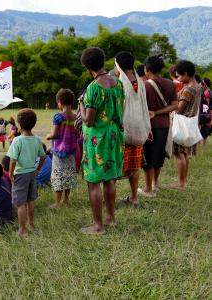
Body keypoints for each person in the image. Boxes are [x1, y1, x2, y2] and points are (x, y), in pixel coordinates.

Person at [78, 47, 124, 235]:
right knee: (109, 177)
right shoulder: (118, 83)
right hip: (114, 135)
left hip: (98, 138)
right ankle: (111, 218)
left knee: (93, 181)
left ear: (87, 66)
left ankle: (98, 226)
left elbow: (88, 119)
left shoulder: (94, 87)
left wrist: (81, 103)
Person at [114, 51, 151, 207]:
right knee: (135, 165)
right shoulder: (140, 81)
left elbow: (117, 110)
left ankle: (109, 199)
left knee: (115, 166)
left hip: (124, 131)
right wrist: (147, 127)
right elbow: (144, 106)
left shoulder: (119, 83)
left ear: (119, 66)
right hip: (138, 130)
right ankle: (134, 197)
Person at [140, 55, 178, 197]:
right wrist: (158, 112)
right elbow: (175, 106)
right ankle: (155, 184)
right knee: (158, 156)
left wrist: (153, 112)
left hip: (148, 127)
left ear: (147, 69)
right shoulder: (170, 84)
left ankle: (148, 188)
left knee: (148, 158)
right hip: (164, 125)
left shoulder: (144, 85)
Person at [7, 108, 46, 238]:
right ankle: (31, 224)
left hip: (20, 175)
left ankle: (22, 230)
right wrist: (38, 169)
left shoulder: (17, 140)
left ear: (19, 124)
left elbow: (12, 160)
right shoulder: (37, 140)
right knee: (30, 200)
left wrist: (11, 173)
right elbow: (43, 156)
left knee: (20, 203)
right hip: (32, 173)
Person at [171, 60, 202, 191]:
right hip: (190, 123)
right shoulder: (197, 86)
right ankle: (182, 181)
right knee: (184, 153)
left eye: (179, 76)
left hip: (182, 123)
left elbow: (179, 109)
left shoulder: (188, 89)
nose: (178, 78)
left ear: (186, 74)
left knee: (179, 154)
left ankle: (180, 183)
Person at [45, 88, 78, 208]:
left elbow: (54, 134)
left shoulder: (58, 117)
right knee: (68, 174)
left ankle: (57, 202)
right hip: (71, 151)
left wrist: (48, 136)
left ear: (59, 102)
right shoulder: (75, 116)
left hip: (59, 152)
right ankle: (66, 199)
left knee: (58, 176)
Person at [199, 78, 212, 144]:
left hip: (206, 114)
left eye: (202, 83)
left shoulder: (206, 92)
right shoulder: (209, 91)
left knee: (204, 130)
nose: (201, 85)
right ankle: (204, 144)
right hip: (208, 113)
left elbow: (206, 105)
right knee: (205, 131)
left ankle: (203, 145)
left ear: (205, 84)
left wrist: (204, 116)